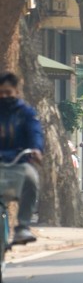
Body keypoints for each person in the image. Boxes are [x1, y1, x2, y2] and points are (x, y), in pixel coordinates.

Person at [0, 71, 43, 244]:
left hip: (19, 162)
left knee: (32, 179)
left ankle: (23, 226)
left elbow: (35, 132)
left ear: (17, 92)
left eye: (8, 93)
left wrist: (36, 149)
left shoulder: (26, 113)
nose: (4, 96)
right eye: (0, 93)